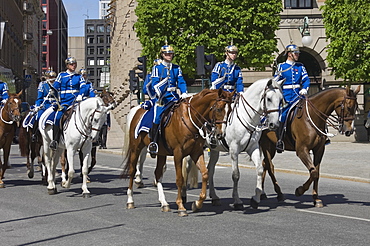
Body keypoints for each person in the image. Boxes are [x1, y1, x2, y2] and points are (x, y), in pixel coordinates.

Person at [147, 43, 189, 157]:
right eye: (167, 54)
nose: (169, 56)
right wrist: (161, 95)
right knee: (157, 116)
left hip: (175, 96)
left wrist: (184, 92)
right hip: (162, 98)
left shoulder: (176, 68)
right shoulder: (157, 68)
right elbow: (155, 84)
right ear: (162, 55)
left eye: (170, 54)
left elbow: (180, 81)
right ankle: (154, 143)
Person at [274, 44, 310, 153]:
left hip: (299, 95)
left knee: (312, 110)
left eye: (298, 53)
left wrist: (304, 89)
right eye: (295, 53)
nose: (297, 55)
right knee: (283, 115)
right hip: (286, 96)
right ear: (289, 54)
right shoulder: (281, 67)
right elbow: (276, 82)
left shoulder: (300, 66)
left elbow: (306, 80)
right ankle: (280, 140)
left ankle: (323, 135)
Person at [49, 56, 87, 150]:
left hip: (76, 101)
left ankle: (90, 139)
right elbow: (56, 86)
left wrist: (80, 95)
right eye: (71, 64)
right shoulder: (61, 76)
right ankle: (55, 140)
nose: (73, 66)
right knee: (57, 117)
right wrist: (52, 91)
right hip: (65, 102)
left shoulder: (79, 77)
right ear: (67, 65)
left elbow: (83, 87)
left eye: (75, 64)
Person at [31, 68, 58, 142]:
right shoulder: (43, 84)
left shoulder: (57, 84)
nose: (52, 79)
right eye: (50, 77)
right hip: (45, 104)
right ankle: (35, 134)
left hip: (55, 104)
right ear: (46, 78)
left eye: (53, 77)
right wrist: (38, 105)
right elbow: (39, 97)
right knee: (39, 115)